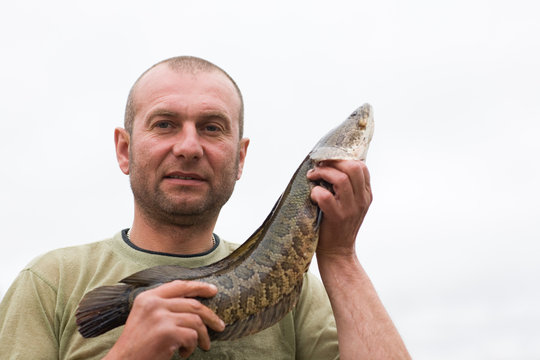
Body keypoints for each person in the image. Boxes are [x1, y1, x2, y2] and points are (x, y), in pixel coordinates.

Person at [0, 56, 410, 359]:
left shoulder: (300, 297)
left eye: (212, 128)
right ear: (125, 150)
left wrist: (340, 256)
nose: (189, 147)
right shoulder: (49, 283)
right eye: (165, 124)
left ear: (240, 159)